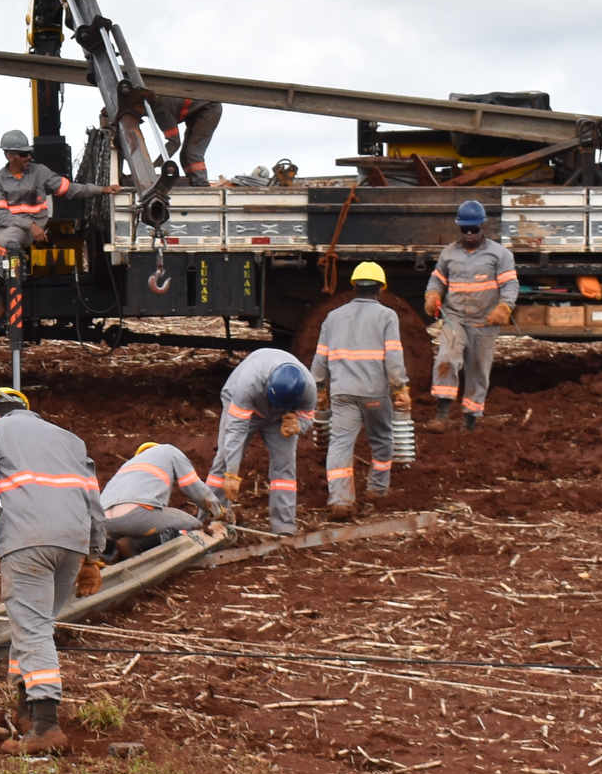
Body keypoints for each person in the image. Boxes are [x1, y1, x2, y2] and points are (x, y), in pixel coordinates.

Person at [0, 388, 106, 755]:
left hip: (28, 540)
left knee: (34, 628)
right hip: (72, 542)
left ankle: (45, 726)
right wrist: (93, 557)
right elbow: (93, 500)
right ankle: (24, 709)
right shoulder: (70, 440)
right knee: (36, 624)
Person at [0, 131, 109, 337]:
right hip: (4, 228)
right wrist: (29, 225)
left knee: (2, 244)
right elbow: (1, 216)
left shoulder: (40, 173)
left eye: (29, 153)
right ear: (10, 156)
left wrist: (102, 190)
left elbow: (70, 189)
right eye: (24, 154)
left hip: (22, 232)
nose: (29, 158)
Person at [314, 263, 411, 512]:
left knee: (340, 444)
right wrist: (400, 388)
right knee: (381, 441)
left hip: (342, 394)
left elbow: (320, 360)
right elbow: (393, 358)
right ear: (381, 289)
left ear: (354, 286)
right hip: (374, 393)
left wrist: (320, 389)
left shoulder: (332, 317)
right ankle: (377, 491)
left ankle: (340, 500)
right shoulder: (387, 316)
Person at [423, 199, 518, 430]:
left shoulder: (499, 254)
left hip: (484, 322)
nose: (469, 233)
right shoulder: (449, 253)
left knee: (478, 370)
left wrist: (505, 307)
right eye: (465, 229)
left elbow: (510, 285)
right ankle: (442, 415)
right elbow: (437, 279)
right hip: (454, 318)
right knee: (446, 359)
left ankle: (470, 420)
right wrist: (432, 294)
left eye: (473, 229)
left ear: (482, 226)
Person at [211, 347, 315, 536]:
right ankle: (210, 520)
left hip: (279, 418)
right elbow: (236, 431)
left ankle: (284, 527)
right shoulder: (249, 384)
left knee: (285, 465)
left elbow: (308, 415)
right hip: (244, 409)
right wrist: (232, 475)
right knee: (223, 461)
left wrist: (298, 425)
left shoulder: (308, 387)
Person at [100, 441, 225, 556]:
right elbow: (195, 488)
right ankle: (133, 545)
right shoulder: (171, 452)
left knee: (145, 522)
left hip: (102, 523)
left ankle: (113, 550)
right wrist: (219, 512)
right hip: (136, 515)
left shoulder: (129, 465)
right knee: (194, 526)